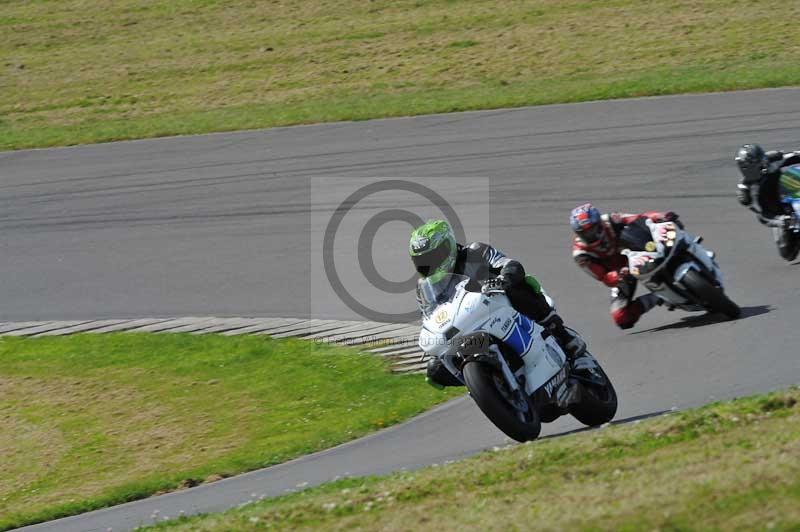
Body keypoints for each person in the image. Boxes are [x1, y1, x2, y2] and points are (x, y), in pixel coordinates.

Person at [409, 219, 586, 389]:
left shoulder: (475, 252)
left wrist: (503, 279)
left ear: (448, 246)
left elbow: (510, 265)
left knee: (519, 285)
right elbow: (429, 317)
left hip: (500, 307)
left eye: (433, 256)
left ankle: (562, 335)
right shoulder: (423, 287)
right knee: (435, 369)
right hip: (467, 329)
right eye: (423, 261)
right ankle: (490, 383)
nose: (429, 264)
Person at [570, 203, 683, 330]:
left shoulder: (611, 219)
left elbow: (639, 218)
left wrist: (659, 216)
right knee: (621, 317)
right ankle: (659, 297)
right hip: (622, 273)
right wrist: (616, 276)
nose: (589, 235)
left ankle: (688, 250)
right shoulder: (581, 255)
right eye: (584, 233)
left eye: (592, 230)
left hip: (640, 250)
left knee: (667, 227)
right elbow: (602, 276)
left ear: (599, 223)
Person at [735, 143, 800, 261]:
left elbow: (794, 156)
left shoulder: (772, 160)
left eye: (758, 163)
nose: (760, 168)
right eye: (750, 166)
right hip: (776, 212)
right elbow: (761, 215)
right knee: (787, 253)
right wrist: (778, 221)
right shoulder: (746, 191)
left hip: (789, 191)